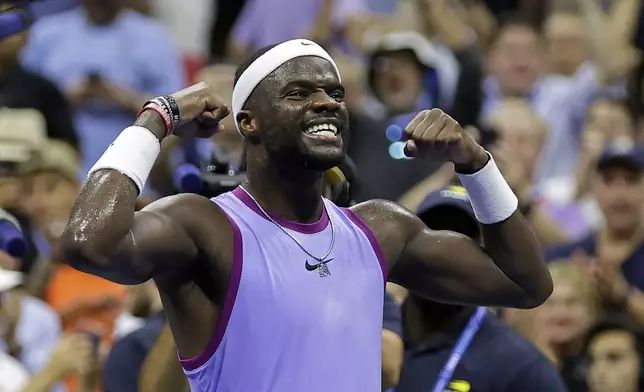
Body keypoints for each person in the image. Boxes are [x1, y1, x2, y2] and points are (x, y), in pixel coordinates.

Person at [60, 39, 552, 391]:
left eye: (335, 94)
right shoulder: (205, 225)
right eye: (298, 93)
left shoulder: (379, 228)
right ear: (247, 121)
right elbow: (88, 242)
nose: (325, 103)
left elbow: (526, 284)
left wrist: (475, 164)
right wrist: (155, 119)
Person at [395, 186, 566, 392]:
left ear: (489, 258)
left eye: (463, 237)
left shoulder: (520, 367)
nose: (443, 252)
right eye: (432, 232)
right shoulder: (368, 331)